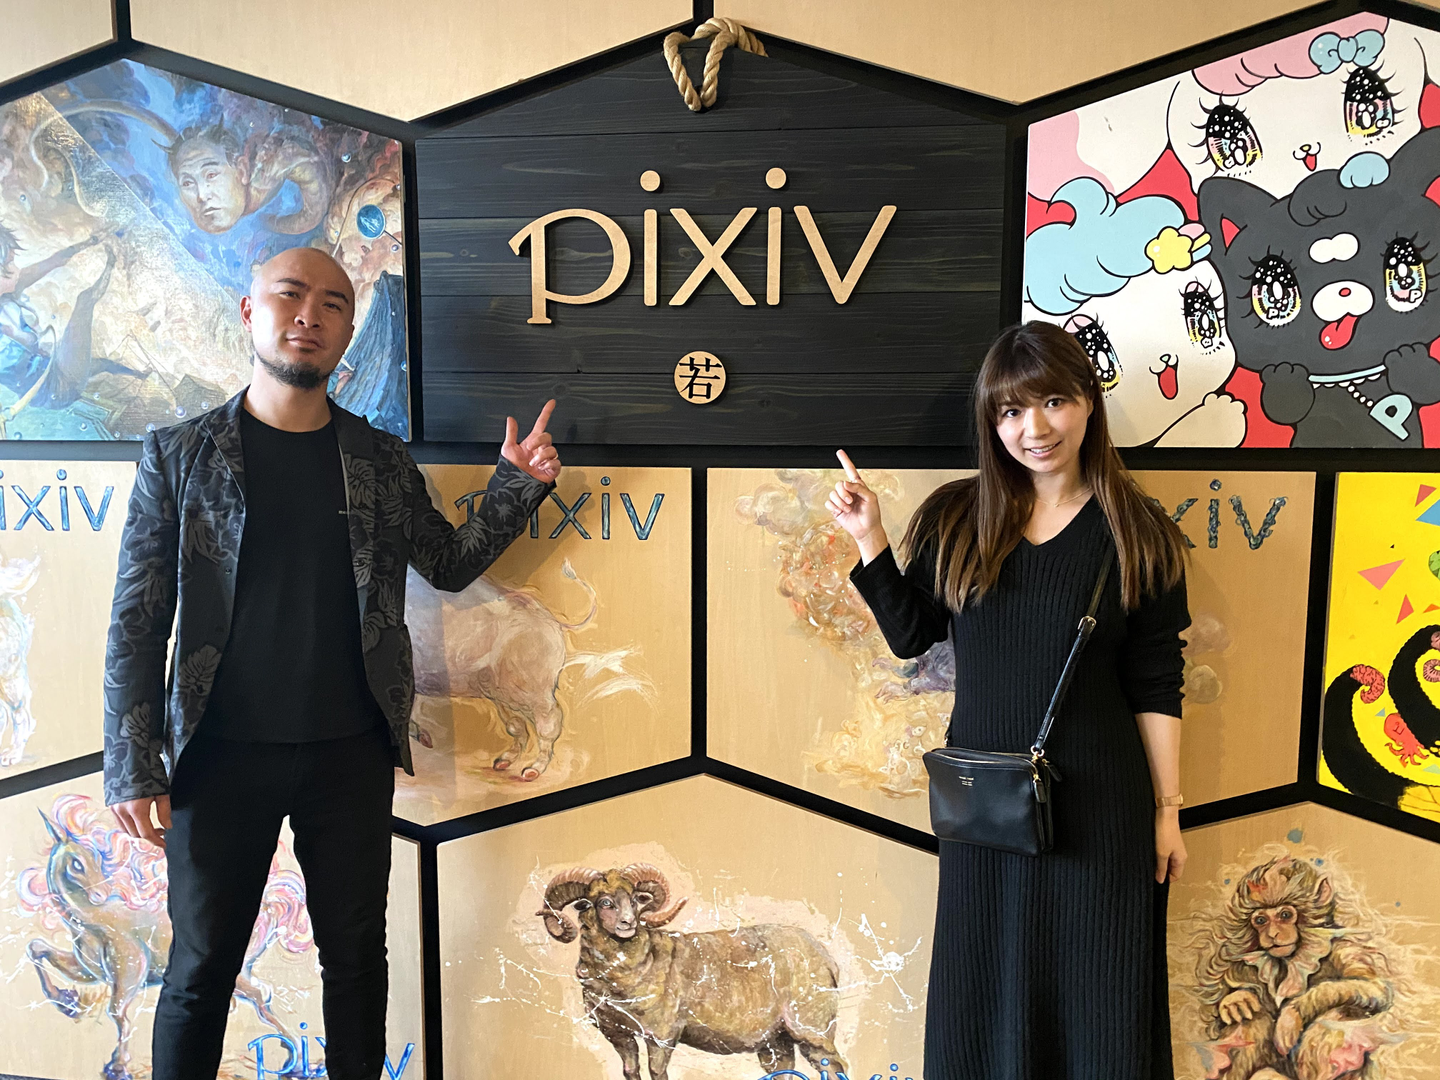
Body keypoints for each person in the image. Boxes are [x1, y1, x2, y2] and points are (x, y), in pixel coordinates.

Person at [100, 246, 561, 1080]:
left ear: (348, 330)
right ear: (252, 311)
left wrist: (514, 486)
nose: (309, 315)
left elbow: (445, 564)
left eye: (333, 304)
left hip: (348, 751)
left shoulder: (378, 459)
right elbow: (137, 618)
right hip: (217, 756)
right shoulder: (179, 455)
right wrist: (132, 764)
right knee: (201, 970)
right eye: (290, 295)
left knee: (354, 963)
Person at [828, 320, 1190, 1080]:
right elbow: (913, 635)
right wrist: (869, 537)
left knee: (1100, 997)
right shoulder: (958, 517)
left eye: (1054, 401)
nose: (1035, 428)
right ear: (992, 423)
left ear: (1088, 402)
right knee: (983, 990)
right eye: (1011, 411)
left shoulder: (1137, 530)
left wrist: (1167, 812)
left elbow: (1157, 678)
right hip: (985, 810)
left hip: (1102, 809)